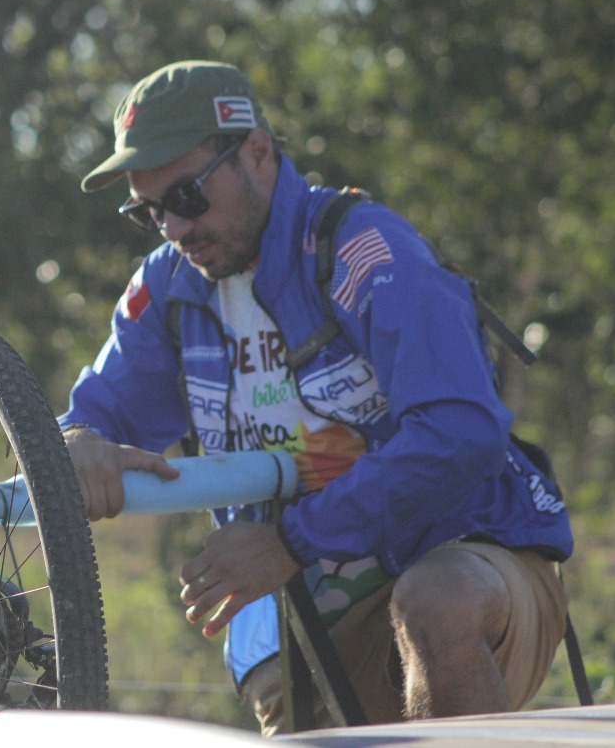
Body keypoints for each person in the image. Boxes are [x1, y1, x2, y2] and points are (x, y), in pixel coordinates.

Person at [58, 60, 573, 733]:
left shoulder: (364, 247)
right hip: (297, 612)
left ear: (258, 153)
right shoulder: (166, 288)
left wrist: (291, 539)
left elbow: (463, 431)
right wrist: (76, 440)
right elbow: (94, 413)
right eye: (148, 211)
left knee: (436, 603)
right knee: (281, 673)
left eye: (185, 196)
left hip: (466, 561)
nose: (174, 228)